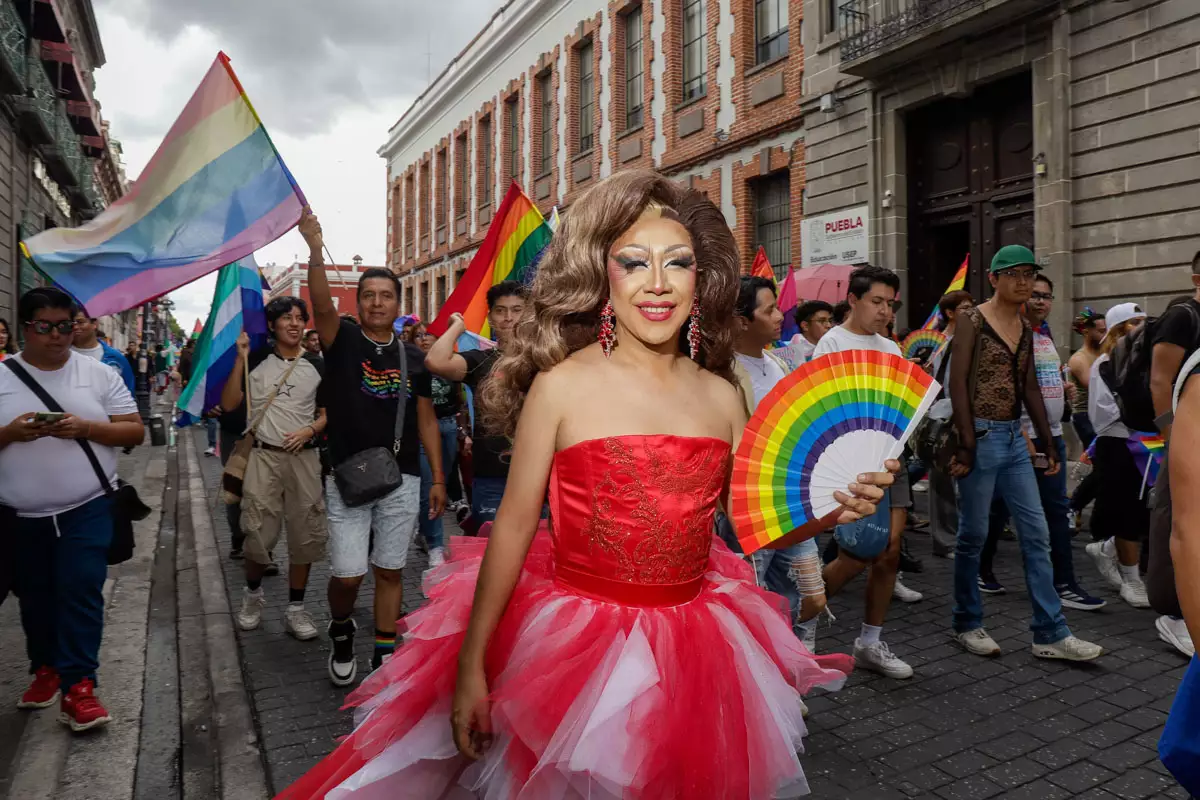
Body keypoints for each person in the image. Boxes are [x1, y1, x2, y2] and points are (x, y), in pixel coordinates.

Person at [273, 170, 894, 800]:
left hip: (697, 647)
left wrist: (833, 511)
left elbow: (754, 524)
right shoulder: (561, 385)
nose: (657, 282)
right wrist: (472, 665)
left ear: (700, 280)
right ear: (603, 275)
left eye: (677, 263)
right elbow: (513, 527)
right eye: (635, 261)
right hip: (572, 648)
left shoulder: (723, 394)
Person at [301, 209, 446, 685]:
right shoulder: (341, 339)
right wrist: (313, 247)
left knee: (389, 569)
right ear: (359, 302)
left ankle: (383, 657)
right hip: (347, 476)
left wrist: (438, 477)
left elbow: (426, 417)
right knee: (347, 576)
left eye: (386, 296)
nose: (378, 303)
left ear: (397, 303)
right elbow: (322, 306)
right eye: (369, 296)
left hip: (401, 477)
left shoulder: (415, 358)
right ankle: (341, 627)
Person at [947, 245, 1101, 661]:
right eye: (1012, 273)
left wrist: (1049, 442)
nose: (1023, 281)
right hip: (980, 437)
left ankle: (1050, 633)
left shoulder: (1025, 324)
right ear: (993, 278)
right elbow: (957, 383)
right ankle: (967, 621)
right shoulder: (971, 319)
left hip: (1016, 440)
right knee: (973, 536)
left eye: (1028, 274)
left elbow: (1029, 384)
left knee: (1037, 534)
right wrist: (966, 441)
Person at [0, 287, 144, 731]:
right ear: (26, 327)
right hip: (19, 516)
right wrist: (9, 434)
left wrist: (87, 428)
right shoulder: (3, 376)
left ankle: (80, 686)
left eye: (66, 326)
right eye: (46, 327)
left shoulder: (99, 374)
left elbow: (134, 432)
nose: (58, 336)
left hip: (87, 508)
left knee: (81, 590)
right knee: (36, 597)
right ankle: (46, 668)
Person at [811, 265, 919, 679]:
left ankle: (870, 642)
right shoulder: (831, 345)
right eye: (877, 301)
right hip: (853, 465)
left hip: (892, 457)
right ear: (853, 300)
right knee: (857, 555)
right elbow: (823, 406)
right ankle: (802, 622)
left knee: (889, 553)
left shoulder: (890, 349)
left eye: (890, 303)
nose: (885, 311)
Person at [976, 275, 1104, 610]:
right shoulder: (1007, 333)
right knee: (1036, 510)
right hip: (1023, 440)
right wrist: (1022, 436)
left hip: (1051, 437)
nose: (1042, 302)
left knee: (1034, 508)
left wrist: (1062, 390)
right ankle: (1058, 583)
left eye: (1047, 296)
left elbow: (1045, 378)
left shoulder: (1043, 334)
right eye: (1035, 295)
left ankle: (1052, 580)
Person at [221, 297, 327, 641]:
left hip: (305, 460)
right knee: (257, 533)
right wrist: (239, 358)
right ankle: (252, 595)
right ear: (272, 325)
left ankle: (296, 608)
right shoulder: (255, 360)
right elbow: (229, 404)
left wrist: (310, 430)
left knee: (305, 534)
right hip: (263, 458)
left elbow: (328, 413)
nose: (294, 324)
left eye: (299, 318)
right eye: (286, 318)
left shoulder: (317, 365)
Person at [729, 276, 827, 649]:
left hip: (792, 501)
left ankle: (794, 674)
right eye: (768, 309)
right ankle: (770, 684)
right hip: (751, 506)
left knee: (809, 595)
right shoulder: (724, 374)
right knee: (754, 598)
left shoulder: (777, 363)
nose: (778, 316)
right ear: (741, 321)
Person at [425, 281, 527, 527]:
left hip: (535, 478)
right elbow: (435, 361)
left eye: (517, 310)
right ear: (490, 317)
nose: (508, 318)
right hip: (490, 478)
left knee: (538, 556)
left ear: (529, 314)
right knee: (491, 553)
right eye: (500, 311)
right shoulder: (480, 360)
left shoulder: (545, 359)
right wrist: (457, 328)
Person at [1146, 255, 1200, 654]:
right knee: (1175, 517)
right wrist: (1170, 432)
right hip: (1183, 432)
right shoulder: (1184, 317)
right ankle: (1174, 613)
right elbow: (1160, 379)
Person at [1084, 303, 1153, 610]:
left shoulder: (1147, 360)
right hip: (1121, 444)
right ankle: (1131, 579)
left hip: (1148, 443)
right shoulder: (1104, 364)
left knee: (1144, 512)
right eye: (1135, 321)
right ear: (1120, 328)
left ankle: (1107, 548)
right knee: (1127, 512)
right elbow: (1103, 413)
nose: (1142, 327)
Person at [413, 322, 461, 568]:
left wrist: (464, 430)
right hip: (423, 432)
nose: (423, 339)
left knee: (444, 477)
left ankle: (424, 532)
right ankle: (435, 545)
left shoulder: (451, 364)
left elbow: (462, 397)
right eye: (418, 335)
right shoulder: (413, 365)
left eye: (429, 334)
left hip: (449, 425)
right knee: (431, 486)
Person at [1066, 307, 1106, 528]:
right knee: (1102, 466)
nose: (1105, 334)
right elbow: (1098, 388)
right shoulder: (1079, 359)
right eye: (1100, 331)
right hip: (1085, 417)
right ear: (1087, 332)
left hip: (1104, 417)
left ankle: (1086, 510)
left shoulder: (1104, 353)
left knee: (1106, 467)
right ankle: (1073, 506)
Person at [71, 307, 136, 395]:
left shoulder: (115, 358)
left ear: (94, 324)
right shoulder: (59, 355)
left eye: (80, 322)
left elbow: (128, 391)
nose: (75, 327)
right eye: (72, 323)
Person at [776, 299, 833, 370]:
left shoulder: (833, 350)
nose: (829, 325)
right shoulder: (784, 352)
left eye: (830, 321)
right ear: (805, 326)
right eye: (822, 321)